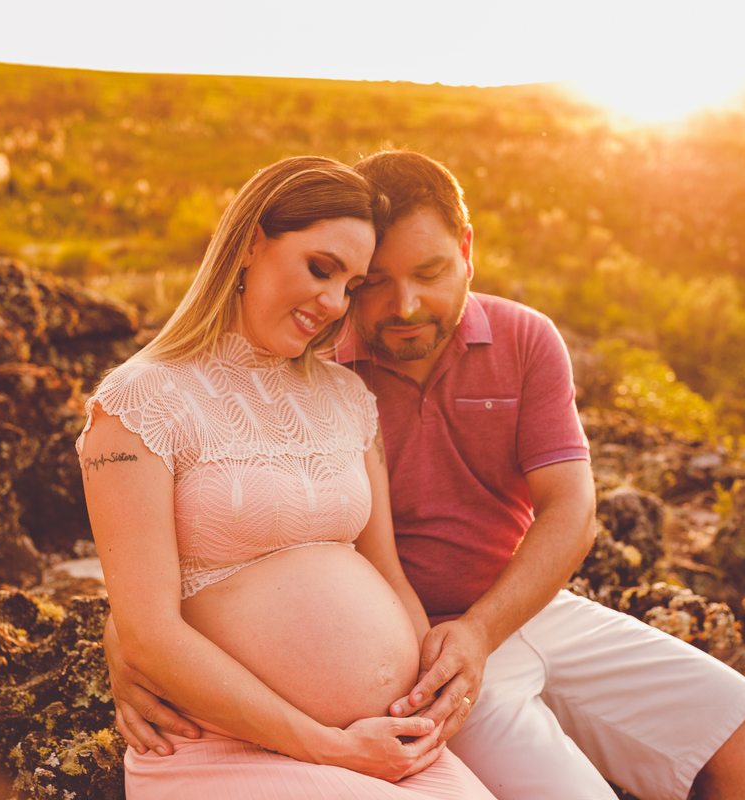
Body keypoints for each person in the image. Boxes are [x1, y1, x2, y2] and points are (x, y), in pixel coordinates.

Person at [105, 151, 745, 800]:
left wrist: (479, 631)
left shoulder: (519, 341)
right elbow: (197, 534)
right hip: (421, 657)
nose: (401, 305)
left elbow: (571, 510)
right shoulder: (317, 353)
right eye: (371, 283)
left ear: (468, 251)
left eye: (430, 273)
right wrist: (128, 637)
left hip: (513, 610)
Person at [77, 155, 495, 800]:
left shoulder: (348, 396)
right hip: (225, 748)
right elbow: (149, 632)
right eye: (319, 268)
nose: (332, 304)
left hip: (382, 743)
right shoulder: (139, 402)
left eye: (352, 285)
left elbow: (385, 569)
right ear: (250, 243)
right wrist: (332, 747)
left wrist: (423, 703)